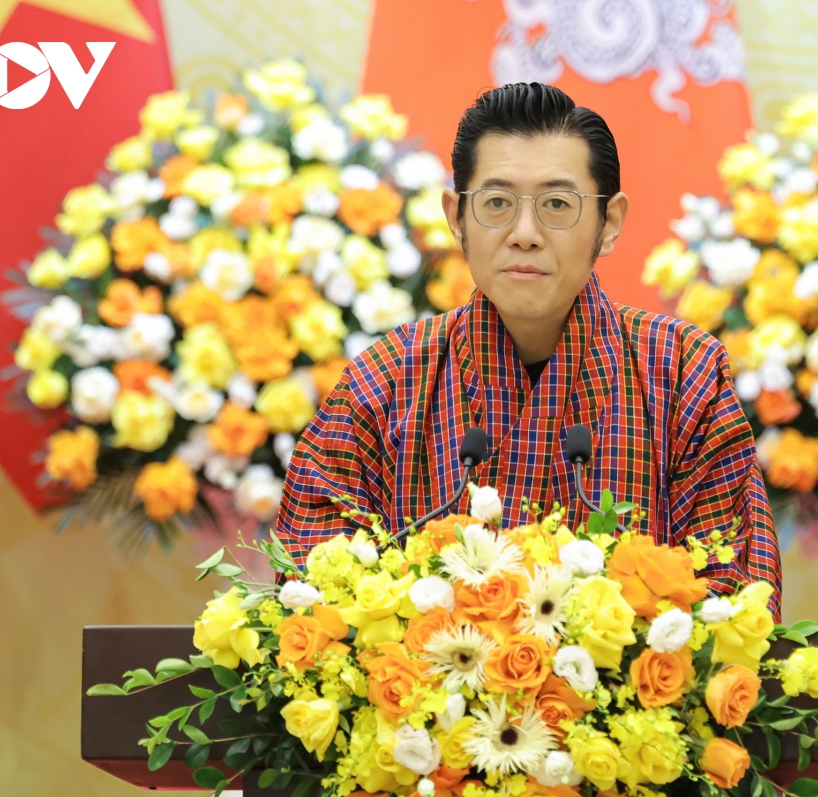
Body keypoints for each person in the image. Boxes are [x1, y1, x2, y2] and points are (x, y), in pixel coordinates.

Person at [272, 82, 781, 616]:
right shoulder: (386, 380)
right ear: (456, 217)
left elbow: (735, 604)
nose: (525, 233)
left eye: (557, 204)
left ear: (608, 223)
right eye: (497, 203)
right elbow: (310, 596)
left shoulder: (683, 374)